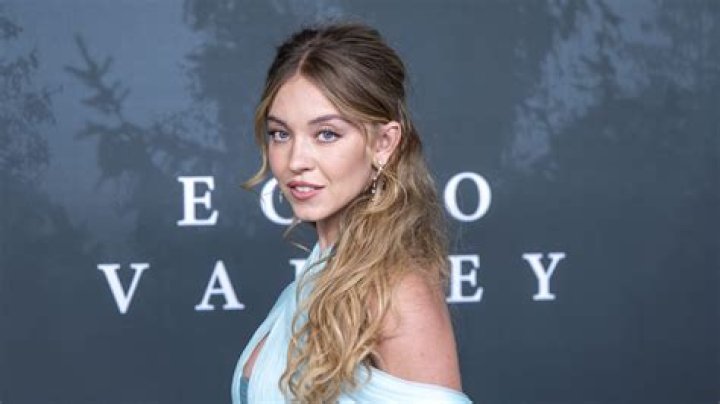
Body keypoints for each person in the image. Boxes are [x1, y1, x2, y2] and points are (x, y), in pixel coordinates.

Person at [232, 22, 472, 403]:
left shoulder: (396, 293)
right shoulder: (317, 274)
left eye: (326, 134)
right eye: (281, 133)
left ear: (383, 143)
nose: (296, 160)